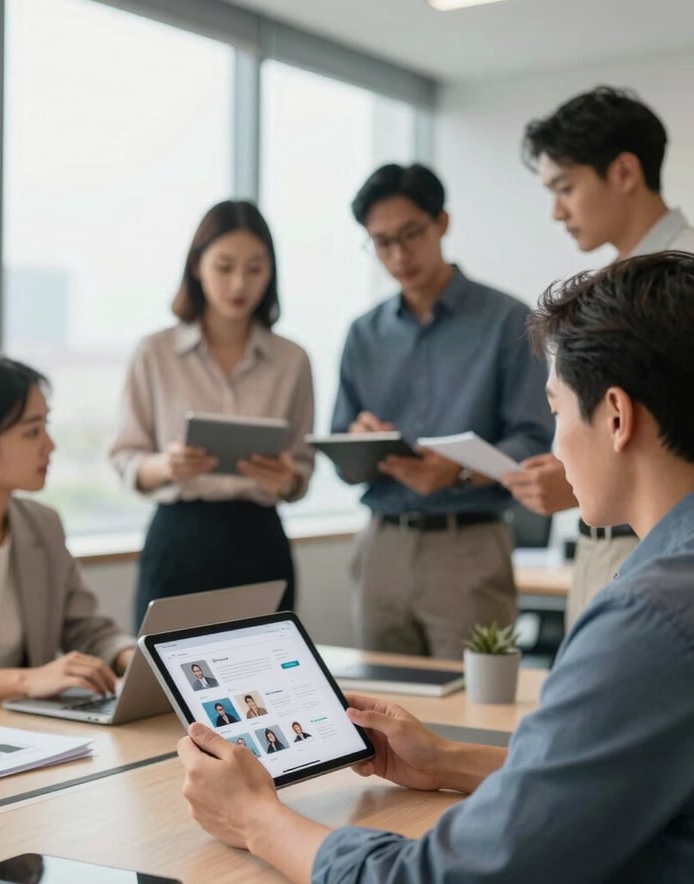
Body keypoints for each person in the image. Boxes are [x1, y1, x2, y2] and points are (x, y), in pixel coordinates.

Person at [177, 250, 694, 882]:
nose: (555, 445)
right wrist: (447, 759)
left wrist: (256, 819)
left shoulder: (650, 617)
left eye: (556, 411)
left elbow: (446, 878)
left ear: (616, 417)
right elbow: (607, 779)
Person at [331, 163, 553, 658]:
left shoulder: (508, 320)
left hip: (468, 545)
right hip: (382, 545)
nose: (399, 255)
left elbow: (533, 440)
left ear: (442, 223)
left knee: (479, 698)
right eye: (382, 242)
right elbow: (341, 456)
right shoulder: (363, 334)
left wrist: (458, 471)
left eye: (411, 234)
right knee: (378, 699)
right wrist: (359, 442)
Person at [504, 86, 694, 624]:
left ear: (625, 171)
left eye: (566, 187)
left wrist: (587, 477)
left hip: (661, 549)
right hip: (600, 546)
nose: (556, 211)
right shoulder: (604, 290)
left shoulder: (686, 281)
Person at [110, 200, 315, 629]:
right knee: (163, 667)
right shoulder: (155, 352)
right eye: (224, 267)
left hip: (260, 539)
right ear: (196, 267)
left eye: (255, 269)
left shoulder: (292, 360)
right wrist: (167, 465)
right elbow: (125, 457)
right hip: (180, 536)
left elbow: (302, 469)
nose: (239, 283)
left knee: (267, 665)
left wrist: (287, 479)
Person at [0, 353, 135, 707]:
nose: (50, 445)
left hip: (29, 723)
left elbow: (85, 629)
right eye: (32, 432)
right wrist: (28, 680)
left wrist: (135, 658)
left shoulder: (43, 524)